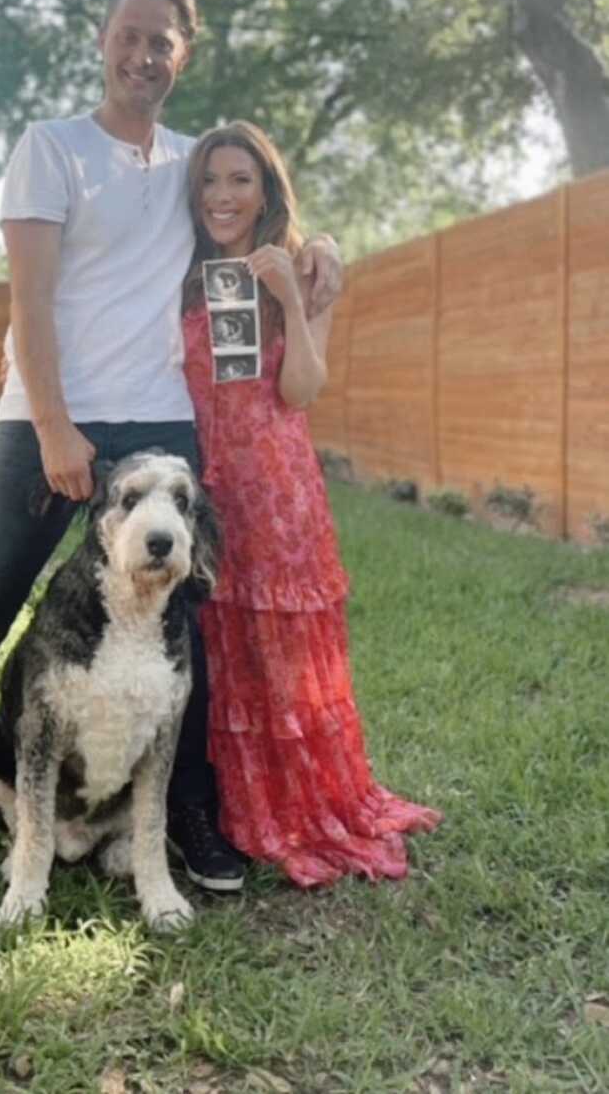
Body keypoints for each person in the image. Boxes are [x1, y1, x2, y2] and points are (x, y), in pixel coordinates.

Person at [0, 0, 343, 919]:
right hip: (47, 420)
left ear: (182, 54)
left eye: (162, 41)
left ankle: (186, 814)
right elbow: (28, 303)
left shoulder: (195, 158)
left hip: (160, 429)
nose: (143, 55)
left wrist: (324, 244)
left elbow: (262, 199)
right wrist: (52, 427)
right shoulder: (53, 149)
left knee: (179, 628)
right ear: (103, 39)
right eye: (130, 35)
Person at [181, 121, 441, 887]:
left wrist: (291, 295)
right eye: (210, 180)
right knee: (219, 646)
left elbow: (300, 390)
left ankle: (297, 804)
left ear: (267, 190)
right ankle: (225, 805)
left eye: (240, 180)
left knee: (284, 652)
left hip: (278, 485)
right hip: (206, 486)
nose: (224, 196)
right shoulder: (183, 272)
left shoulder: (306, 269)